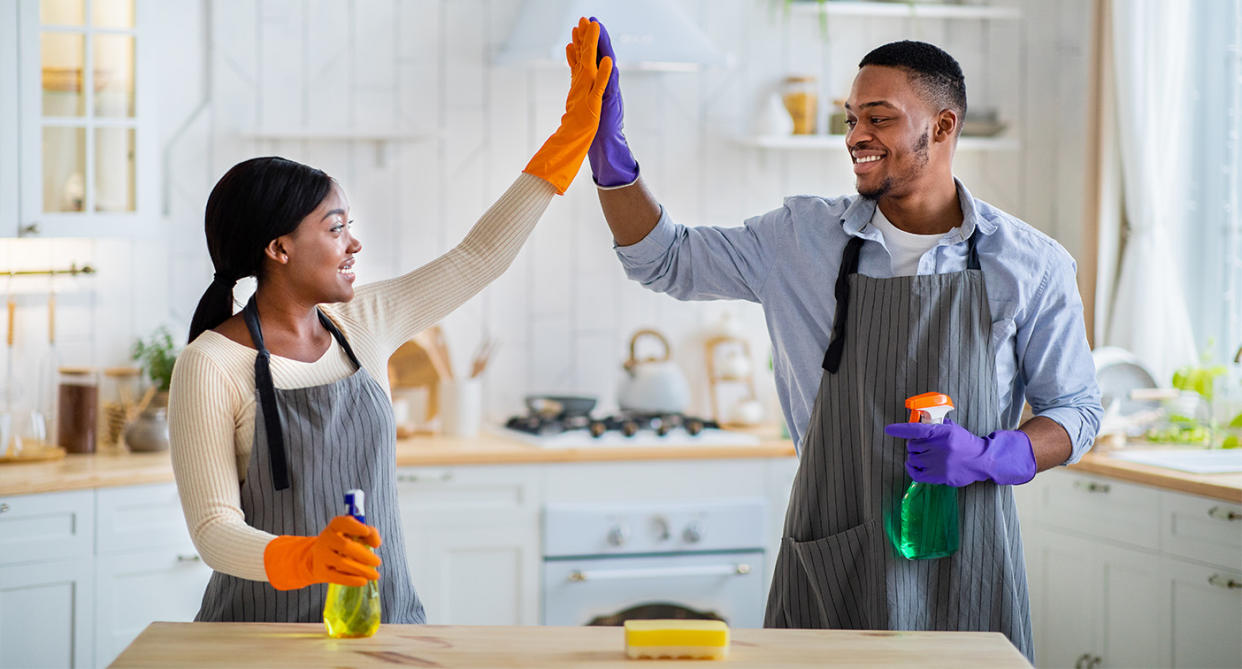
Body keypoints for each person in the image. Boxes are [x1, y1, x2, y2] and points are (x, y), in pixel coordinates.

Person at [587, 24, 1100, 662]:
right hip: (834, 544)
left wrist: (993, 455)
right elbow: (664, 260)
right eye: (851, 118)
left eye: (878, 118)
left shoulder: (1030, 263)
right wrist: (611, 158)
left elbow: (1077, 413)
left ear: (941, 128)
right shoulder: (798, 238)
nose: (856, 136)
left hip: (965, 550)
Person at [168, 19, 611, 623]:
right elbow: (214, 530)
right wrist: (308, 559)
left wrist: (570, 139)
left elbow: (479, 257)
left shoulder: (363, 322)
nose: (354, 244)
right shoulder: (211, 364)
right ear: (279, 248)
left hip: (383, 625)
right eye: (335, 228)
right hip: (258, 637)